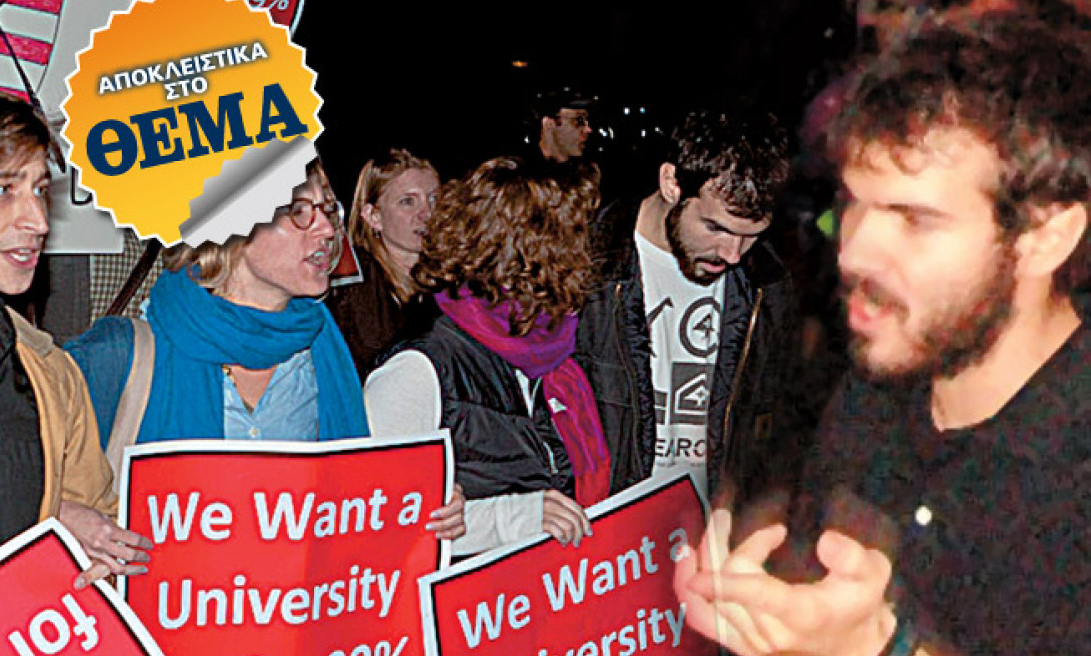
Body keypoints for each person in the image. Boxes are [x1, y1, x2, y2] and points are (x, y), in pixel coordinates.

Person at [675, 15, 1090, 656]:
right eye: (854, 203)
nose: (854, 253)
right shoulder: (873, 393)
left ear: (1044, 238)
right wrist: (765, 605)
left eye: (914, 219)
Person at [66, 158, 465, 539]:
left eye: (328, 210)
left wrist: (422, 505)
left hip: (292, 607)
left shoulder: (326, 350)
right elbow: (21, 485)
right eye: (298, 211)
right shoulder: (120, 353)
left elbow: (356, 508)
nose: (327, 230)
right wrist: (71, 521)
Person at [0, 84, 150, 595]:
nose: (39, 221)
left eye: (39, 189)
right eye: (4, 190)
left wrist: (72, 545)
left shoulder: (51, 377)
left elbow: (94, 564)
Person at [365, 158, 644, 554]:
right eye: (570, 244)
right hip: (465, 606)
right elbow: (383, 525)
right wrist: (516, 517)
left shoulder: (553, 352)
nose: (584, 261)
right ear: (526, 259)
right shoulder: (419, 368)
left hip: (540, 597)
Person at [577, 109, 797, 504]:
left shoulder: (768, 285)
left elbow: (773, 429)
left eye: (752, 236)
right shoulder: (587, 267)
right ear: (671, 183)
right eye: (715, 227)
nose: (732, 254)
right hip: (607, 539)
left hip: (707, 534)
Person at [327, 149, 441, 379]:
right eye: (407, 201)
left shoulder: (448, 282)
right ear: (373, 217)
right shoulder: (355, 292)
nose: (427, 213)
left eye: (433, 198)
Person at [531, 88, 594, 163]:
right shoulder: (523, 169)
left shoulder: (589, 170)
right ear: (549, 124)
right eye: (579, 120)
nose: (588, 130)